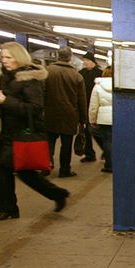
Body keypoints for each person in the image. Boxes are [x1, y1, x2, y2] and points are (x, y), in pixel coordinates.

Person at [0, 42, 69, 221]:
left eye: (9, 57)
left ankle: (8, 209)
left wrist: (5, 102)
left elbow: (35, 107)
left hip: (24, 133)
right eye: (3, 57)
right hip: (9, 133)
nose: (5, 61)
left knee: (2, 170)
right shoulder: (7, 77)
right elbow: (7, 100)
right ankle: (57, 194)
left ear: (19, 57)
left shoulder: (30, 79)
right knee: (25, 172)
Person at [44, 47, 86, 178]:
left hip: (49, 113)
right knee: (66, 145)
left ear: (58, 56)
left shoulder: (46, 71)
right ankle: (64, 170)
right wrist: (83, 120)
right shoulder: (77, 75)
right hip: (69, 115)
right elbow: (82, 100)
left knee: (48, 142)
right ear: (70, 57)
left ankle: (45, 167)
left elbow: (40, 93)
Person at [78, 52, 103, 162]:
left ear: (93, 61)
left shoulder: (100, 74)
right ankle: (89, 154)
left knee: (96, 131)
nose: (85, 62)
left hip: (96, 107)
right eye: (84, 60)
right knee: (86, 131)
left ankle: (106, 150)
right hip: (83, 106)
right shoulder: (81, 73)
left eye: (87, 60)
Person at [88, 67, 113, 173]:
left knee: (107, 141)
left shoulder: (97, 86)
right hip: (118, 117)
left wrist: (92, 119)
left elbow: (93, 105)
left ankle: (109, 165)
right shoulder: (118, 86)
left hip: (104, 118)